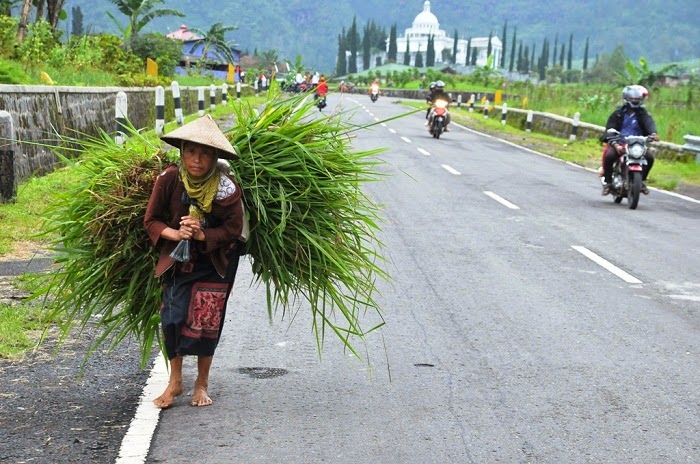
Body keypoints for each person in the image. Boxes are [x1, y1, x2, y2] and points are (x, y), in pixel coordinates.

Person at [145, 115, 245, 409]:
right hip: (177, 259)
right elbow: (151, 220)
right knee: (172, 318)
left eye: (204, 154)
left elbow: (233, 230)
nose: (197, 160)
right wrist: (175, 233)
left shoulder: (227, 189)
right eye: (191, 152)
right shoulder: (169, 179)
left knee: (206, 322)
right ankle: (175, 382)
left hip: (215, 262)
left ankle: (201, 383)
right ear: (182, 152)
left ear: (215, 157)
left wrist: (202, 235)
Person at [601, 85, 659, 195]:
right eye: (632, 99)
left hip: (637, 144)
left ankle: (641, 181)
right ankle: (608, 183)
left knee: (650, 158)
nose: (634, 101)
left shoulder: (643, 113)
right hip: (620, 142)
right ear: (626, 99)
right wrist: (615, 144)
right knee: (609, 157)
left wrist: (653, 133)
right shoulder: (617, 113)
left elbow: (649, 123)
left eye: (637, 99)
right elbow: (609, 128)